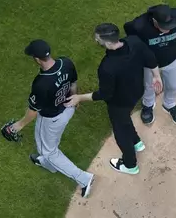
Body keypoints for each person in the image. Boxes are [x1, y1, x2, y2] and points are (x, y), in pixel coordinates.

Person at [66, 23, 163, 175]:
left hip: (119, 103)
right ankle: (137, 142)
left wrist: (79, 97)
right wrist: (157, 76)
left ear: (107, 42)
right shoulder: (134, 41)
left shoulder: (107, 67)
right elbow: (150, 58)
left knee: (120, 132)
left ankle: (131, 165)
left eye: (97, 38)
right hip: (137, 92)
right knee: (125, 119)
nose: (96, 40)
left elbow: (105, 94)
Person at [11, 39, 94, 197]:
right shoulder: (66, 62)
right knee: (49, 146)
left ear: (36, 59)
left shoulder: (41, 83)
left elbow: (34, 110)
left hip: (52, 119)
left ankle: (84, 179)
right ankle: (48, 164)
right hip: (68, 109)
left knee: (48, 150)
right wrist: (75, 96)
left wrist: (18, 126)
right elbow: (73, 82)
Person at [124, 4, 176, 125]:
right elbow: (128, 30)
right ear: (154, 20)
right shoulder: (139, 25)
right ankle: (148, 105)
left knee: (174, 85)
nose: (168, 29)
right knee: (149, 86)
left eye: (170, 26)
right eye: (164, 26)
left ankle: (169, 104)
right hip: (150, 64)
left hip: (173, 58)